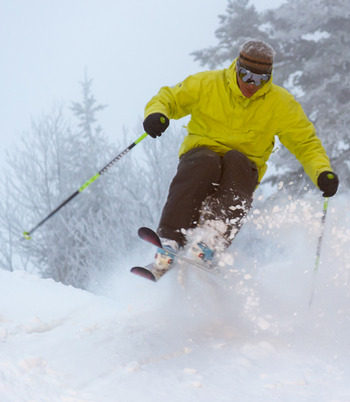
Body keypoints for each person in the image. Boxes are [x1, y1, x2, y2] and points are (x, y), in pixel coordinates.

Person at [142, 39, 339, 271]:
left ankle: (212, 238)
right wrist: (157, 114)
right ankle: (170, 238)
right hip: (201, 157)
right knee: (205, 161)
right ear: (237, 67)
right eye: (247, 76)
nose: (252, 85)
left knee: (237, 161)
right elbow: (169, 98)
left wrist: (322, 172)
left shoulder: (280, 103)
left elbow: (305, 143)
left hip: (243, 168)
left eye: (260, 79)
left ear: (269, 77)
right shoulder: (208, 84)